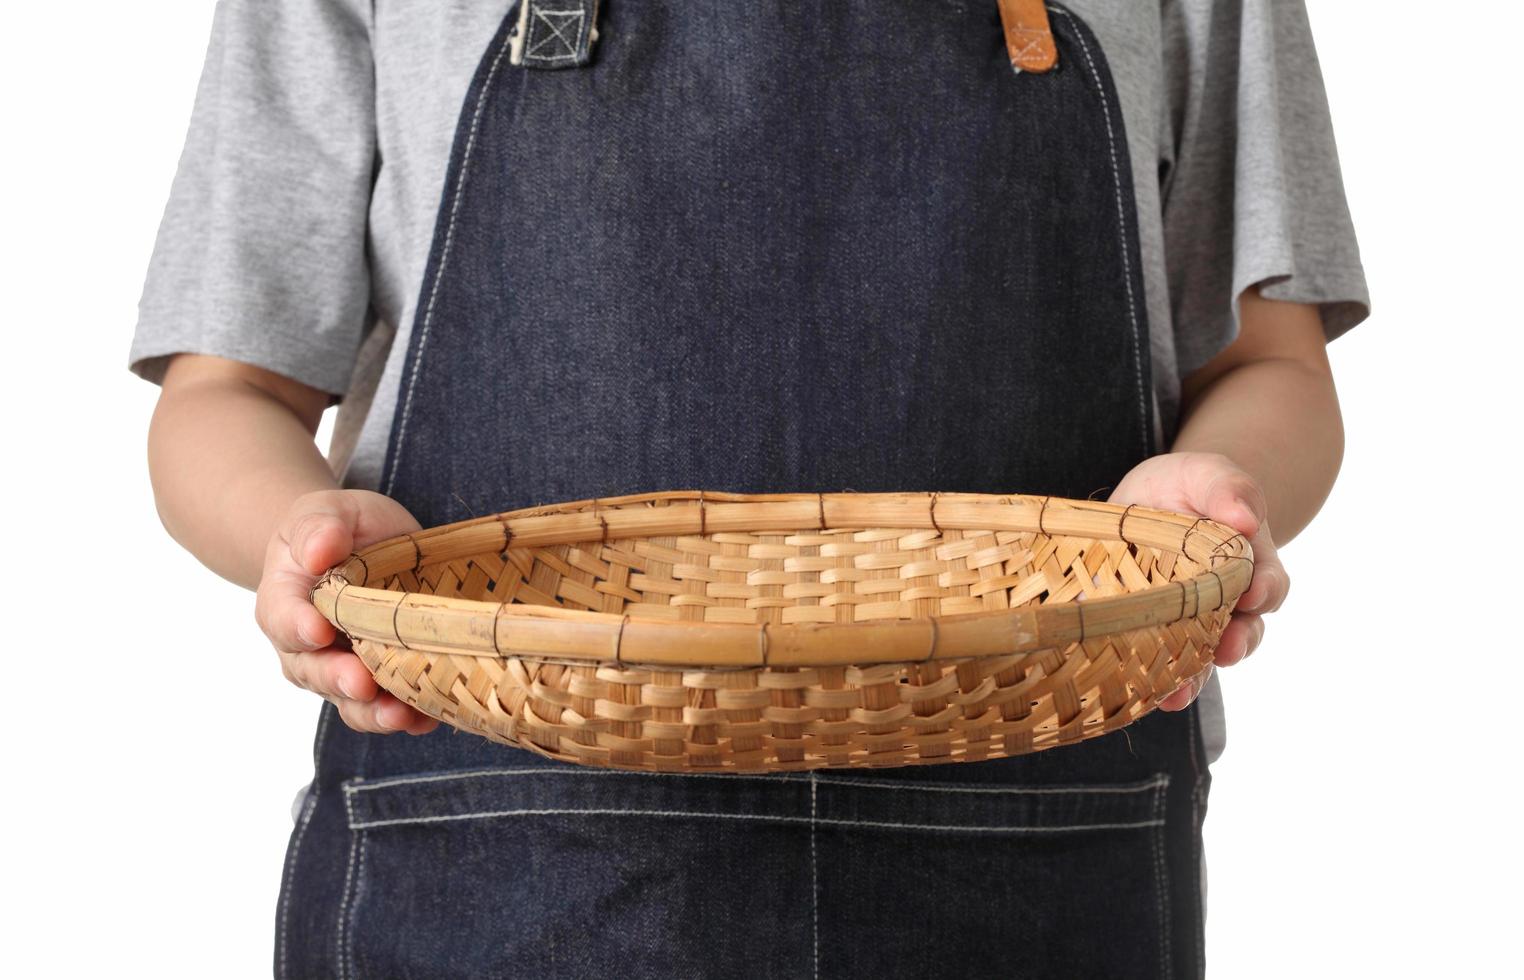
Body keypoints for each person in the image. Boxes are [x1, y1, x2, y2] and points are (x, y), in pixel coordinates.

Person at [131, 0, 1368, 976]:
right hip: (489, 848)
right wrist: (296, 535)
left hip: (1040, 853)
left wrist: (1213, 497)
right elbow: (224, 393)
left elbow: (1270, 364)